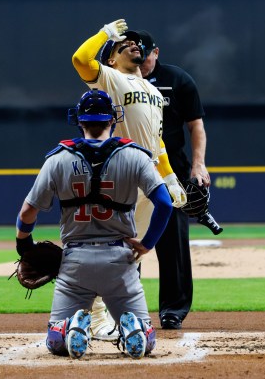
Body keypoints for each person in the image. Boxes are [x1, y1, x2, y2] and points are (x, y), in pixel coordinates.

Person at [15, 89, 173, 359]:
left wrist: (23, 244)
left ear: (79, 121)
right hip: (121, 261)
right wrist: (147, 244)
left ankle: (69, 327)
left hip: (75, 262)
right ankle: (133, 327)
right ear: (113, 119)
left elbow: (29, 211)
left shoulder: (57, 159)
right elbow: (165, 203)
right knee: (147, 343)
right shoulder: (136, 155)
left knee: (55, 342)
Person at [72, 19, 187, 340]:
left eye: (137, 44)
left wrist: (170, 177)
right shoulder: (110, 78)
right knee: (107, 246)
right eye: (125, 46)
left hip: (146, 173)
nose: (134, 45)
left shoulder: (151, 90)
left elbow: (158, 140)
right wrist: (104, 35)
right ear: (111, 59)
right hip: (120, 171)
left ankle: (119, 312)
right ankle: (92, 316)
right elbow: (80, 60)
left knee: (129, 251)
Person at [135, 29, 211, 330]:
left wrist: (198, 166)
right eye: (135, 56)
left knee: (173, 242)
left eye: (145, 56)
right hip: (128, 168)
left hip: (171, 169)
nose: (141, 62)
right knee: (124, 237)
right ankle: (126, 306)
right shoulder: (116, 80)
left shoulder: (177, 80)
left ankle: (173, 309)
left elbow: (196, 127)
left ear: (156, 52)